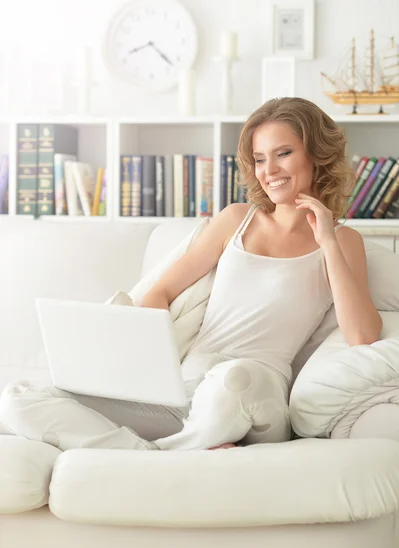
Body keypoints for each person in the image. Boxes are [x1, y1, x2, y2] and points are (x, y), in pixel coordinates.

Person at [0, 97, 382, 452]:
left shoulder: (343, 241)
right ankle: (160, 453)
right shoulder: (236, 219)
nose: (270, 171)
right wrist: (150, 364)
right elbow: (160, 291)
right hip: (183, 390)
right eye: (260, 159)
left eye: (283, 153)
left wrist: (327, 240)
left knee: (231, 381)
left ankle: (165, 449)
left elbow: (362, 334)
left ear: (316, 155)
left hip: (252, 389)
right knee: (17, 399)